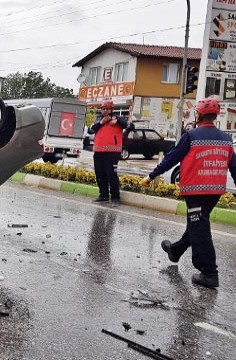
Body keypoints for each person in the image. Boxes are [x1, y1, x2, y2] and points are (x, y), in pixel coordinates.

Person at [142, 98, 236, 289]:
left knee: (199, 227)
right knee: (197, 223)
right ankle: (175, 251)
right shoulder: (226, 139)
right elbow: (234, 166)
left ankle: (209, 273)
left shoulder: (191, 135)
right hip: (214, 192)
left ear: (199, 114)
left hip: (195, 191)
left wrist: (152, 175)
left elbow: (172, 157)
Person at [87, 100, 128, 207]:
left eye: (107, 108)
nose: (105, 110)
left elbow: (127, 125)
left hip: (112, 152)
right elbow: (90, 130)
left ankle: (115, 197)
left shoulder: (118, 119)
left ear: (112, 109)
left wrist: (117, 120)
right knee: (100, 174)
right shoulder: (99, 120)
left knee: (111, 175)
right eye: (103, 109)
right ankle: (103, 195)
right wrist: (102, 122)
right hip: (98, 151)